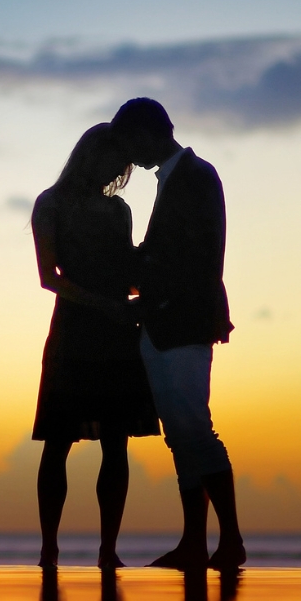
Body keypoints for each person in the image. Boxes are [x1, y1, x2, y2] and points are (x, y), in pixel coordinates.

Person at [109, 97, 247, 571]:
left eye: (129, 142)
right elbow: (168, 253)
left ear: (146, 134)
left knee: (194, 428)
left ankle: (227, 540)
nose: (128, 154)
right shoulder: (179, 178)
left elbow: (196, 257)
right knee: (181, 434)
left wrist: (146, 290)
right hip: (170, 320)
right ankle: (196, 541)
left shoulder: (194, 176)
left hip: (182, 321)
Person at [30, 123, 159, 568]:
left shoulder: (119, 211)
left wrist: (153, 272)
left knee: (116, 443)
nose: (120, 169)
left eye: (122, 162)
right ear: (91, 156)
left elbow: (126, 272)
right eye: (114, 159)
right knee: (58, 441)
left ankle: (108, 550)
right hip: (76, 331)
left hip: (118, 331)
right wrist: (107, 303)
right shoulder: (51, 205)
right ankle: (49, 549)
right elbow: (50, 277)